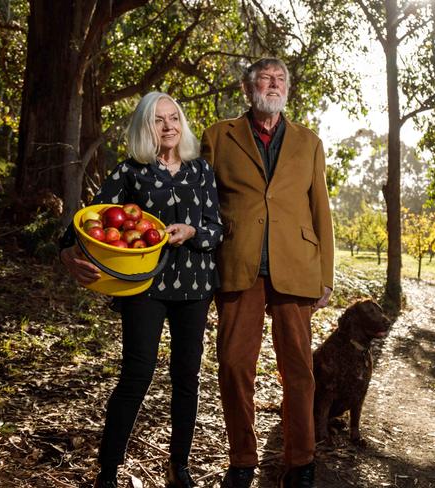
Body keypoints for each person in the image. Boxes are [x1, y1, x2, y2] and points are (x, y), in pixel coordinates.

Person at [59, 92, 222, 488]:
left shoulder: (200, 171)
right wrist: (67, 256)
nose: (168, 126)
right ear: (145, 127)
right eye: (158, 120)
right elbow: (86, 221)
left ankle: (178, 467)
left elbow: (217, 228)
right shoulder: (130, 171)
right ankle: (108, 473)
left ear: (182, 124)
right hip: (143, 286)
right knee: (136, 376)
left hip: (195, 286)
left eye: (174, 118)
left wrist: (193, 231)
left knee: (187, 377)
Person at [201, 58, 334, 488]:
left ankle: (301, 461)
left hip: (296, 266)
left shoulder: (309, 142)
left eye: (280, 79)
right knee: (235, 365)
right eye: (265, 78)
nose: (273, 84)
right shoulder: (218, 137)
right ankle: (242, 459)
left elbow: (321, 211)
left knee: (298, 369)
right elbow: (202, 203)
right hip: (238, 264)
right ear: (248, 87)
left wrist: (326, 275)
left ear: (287, 90)